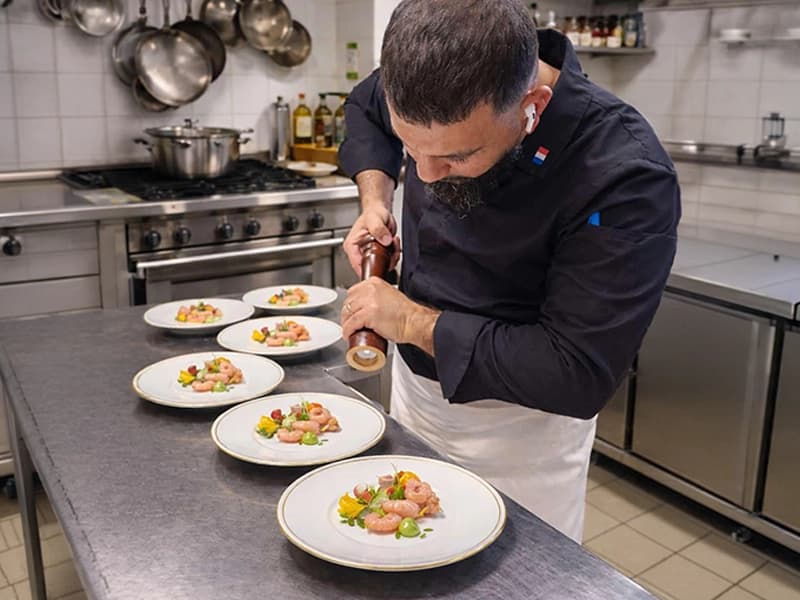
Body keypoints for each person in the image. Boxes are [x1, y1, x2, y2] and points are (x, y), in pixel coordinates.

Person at [338, 0, 680, 542]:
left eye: (456, 156)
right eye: (411, 147)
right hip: (414, 398)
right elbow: (363, 108)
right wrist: (375, 199)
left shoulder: (624, 174)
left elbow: (575, 372)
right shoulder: (425, 79)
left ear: (532, 107)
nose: (424, 174)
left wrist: (411, 322)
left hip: (524, 435)